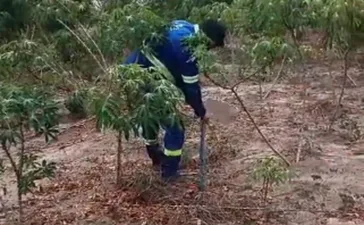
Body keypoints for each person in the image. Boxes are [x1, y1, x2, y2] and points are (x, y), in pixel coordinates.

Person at [123, 19, 226, 181]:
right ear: (208, 39)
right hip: (145, 79)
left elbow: (176, 72)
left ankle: (156, 156)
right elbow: (190, 87)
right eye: (212, 46)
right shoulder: (188, 47)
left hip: (131, 71)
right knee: (175, 128)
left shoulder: (182, 25)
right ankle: (169, 173)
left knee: (150, 116)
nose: (209, 50)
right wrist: (201, 111)